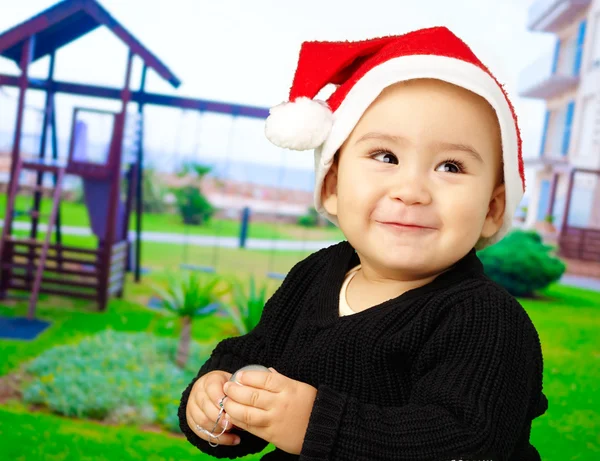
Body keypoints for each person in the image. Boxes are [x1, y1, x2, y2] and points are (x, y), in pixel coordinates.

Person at [178, 26, 549, 461]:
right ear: (332, 184)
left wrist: (316, 425)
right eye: (385, 157)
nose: (411, 190)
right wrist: (219, 391)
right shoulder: (315, 276)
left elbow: (467, 441)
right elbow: (257, 352)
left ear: (492, 208)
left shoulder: (487, 321)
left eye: (450, 166)